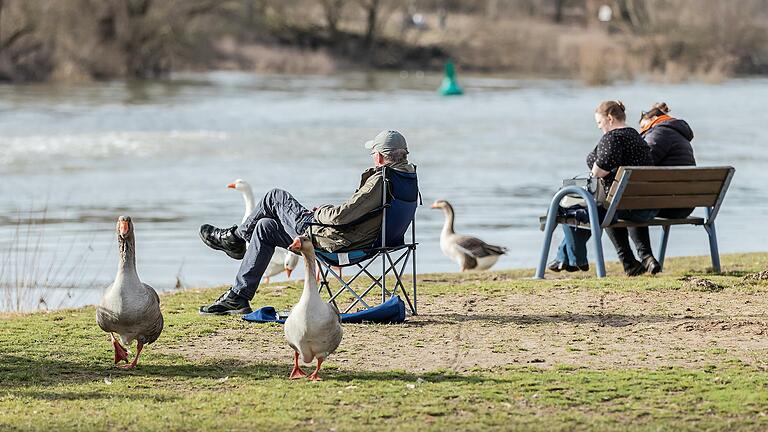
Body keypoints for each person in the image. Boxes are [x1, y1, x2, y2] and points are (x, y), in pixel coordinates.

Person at [198, 130, 416, 315]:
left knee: (275, 197)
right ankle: (238, 296)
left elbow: (340, 216)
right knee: (265, 227)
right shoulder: (406, 178)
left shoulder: (382, 180)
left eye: (372, 154)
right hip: (362, 239)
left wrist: (321, 212)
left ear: (379, 157)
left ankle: (235, 238)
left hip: (336, 241)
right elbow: (356, 212)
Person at [548, 100, 657, 276]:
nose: (599, 127)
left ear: (610, 118)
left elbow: (598, 172)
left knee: (569, 209)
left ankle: (576, 260)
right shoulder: (636, 136)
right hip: (644, 207)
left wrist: (594, 167)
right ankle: (564, 258)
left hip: (620, 207)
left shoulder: (612, 138)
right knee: (592, 209)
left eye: (600, 122)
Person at [614, 102, 697, 274]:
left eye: (643, 127)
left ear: (652, 119)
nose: (642, 133)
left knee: (619, 205)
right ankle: (645, 259)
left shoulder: (659, 133)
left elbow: (642, 163)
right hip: (685, 205)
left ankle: (635, 261)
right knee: (632, 202)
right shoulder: (678, 134)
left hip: (667, 204)